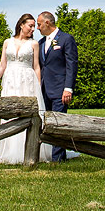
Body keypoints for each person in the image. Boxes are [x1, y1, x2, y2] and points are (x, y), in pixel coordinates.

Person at [0, 14, 52, 164]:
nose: (33, 29)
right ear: (21, 25)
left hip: (27, 81)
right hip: (11, 81)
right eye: (30, 26)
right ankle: (9, 151)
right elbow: (2, 65)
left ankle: (31, 150)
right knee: (10, 114)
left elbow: (36, 67)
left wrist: (38, 86)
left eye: (33, 26)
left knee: (29, 114)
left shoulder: (34, 44)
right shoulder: (7, 42)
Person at [36, 10, 78, 162]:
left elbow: (71, 65)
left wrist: (68, 88)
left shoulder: (66, 39)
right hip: (44, 90)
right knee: (46, 123)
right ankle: (47, 155)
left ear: (48, 23)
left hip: (61, 90)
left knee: (58, 123)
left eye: (39, 24)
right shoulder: (40, 43)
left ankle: (58, 159)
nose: (37, 28)